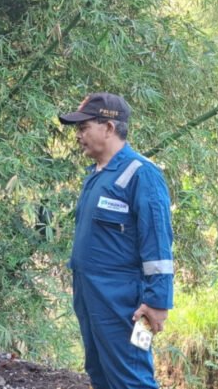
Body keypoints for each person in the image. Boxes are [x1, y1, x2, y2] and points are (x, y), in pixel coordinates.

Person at [59, 92, 174, 389]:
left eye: (84, 127)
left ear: (109, 127)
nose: (78, 136)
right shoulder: (97, 175)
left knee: (130, 377)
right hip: (90, 294)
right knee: (99, 371)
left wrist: (157, 301)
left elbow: (158, 243)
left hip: (122, 300)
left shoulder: (141, 174)